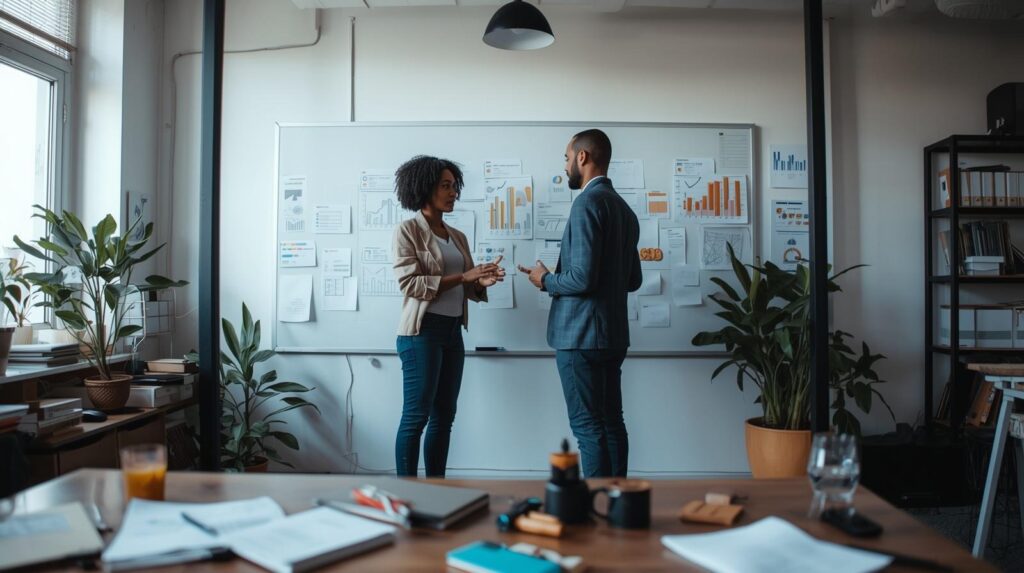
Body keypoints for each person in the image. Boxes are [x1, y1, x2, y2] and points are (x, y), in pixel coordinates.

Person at [519, 129, 642, 478]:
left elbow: (582, 279)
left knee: (588, 428)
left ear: (583, 157)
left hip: (580, 337)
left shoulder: (587, 203)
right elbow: (633, 279)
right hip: (612, 336)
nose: (566, 165)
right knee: (612, 423)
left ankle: (598, 506)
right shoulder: (623, 209)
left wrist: (544, 280)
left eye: (566, 157)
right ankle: (618, 502)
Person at [392, 155, 505, 478]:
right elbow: (410, 284)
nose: (453, 192)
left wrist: (481, 281)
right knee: (416, 416)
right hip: (421, 334)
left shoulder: (458, 236)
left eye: (454, 186)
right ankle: (408, 490)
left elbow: (467, 287)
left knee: (445, 416)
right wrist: (464, 277)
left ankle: (436, 488)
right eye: (445, 186)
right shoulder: (408, 231)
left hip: (453, 332)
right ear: (424, 188)